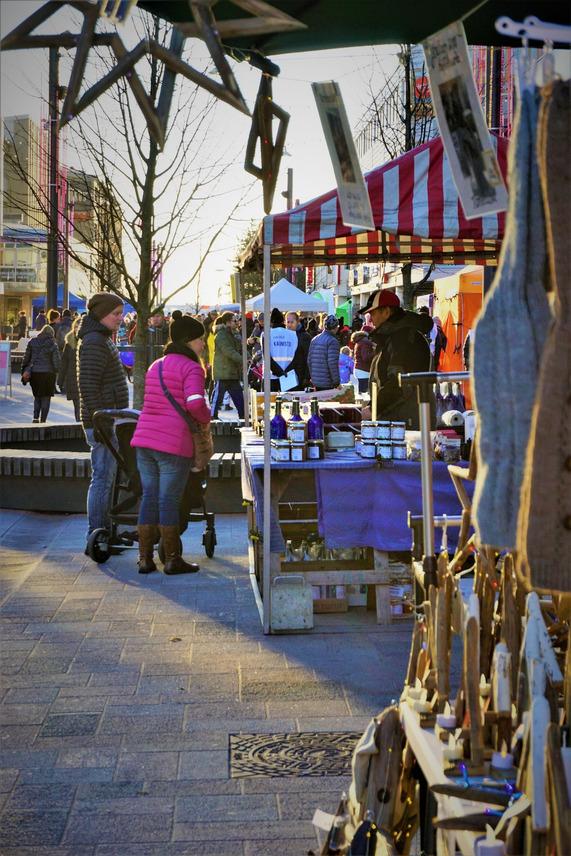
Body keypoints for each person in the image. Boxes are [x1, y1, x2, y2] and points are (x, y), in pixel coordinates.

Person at [131, 315, 211, 575]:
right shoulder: (192, 368)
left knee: (149, 498)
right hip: (173, 444)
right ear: (189, 341)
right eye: (200, 339)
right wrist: (207, 418)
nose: (202, 344)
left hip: (144, 440)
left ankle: (144, 559)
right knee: (168, 500)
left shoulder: (157, 365)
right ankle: (173, 559)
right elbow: (196, 404)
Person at [78, 292, 129, 545]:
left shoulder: (102, 338)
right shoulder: (95, 341)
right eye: (116, 313)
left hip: (109, 419)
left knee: (108, 478)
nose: (121, 318)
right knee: (102, 478)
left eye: (121, 313)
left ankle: (107, 532)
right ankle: (96, 534)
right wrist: (100, 419)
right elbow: (87, 384)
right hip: (102, 421)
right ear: (101, 315)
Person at [359, 290, 433, 429]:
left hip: (406, 421)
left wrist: (372, 409)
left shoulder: (403, 338)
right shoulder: (393, 337)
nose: (371, 319)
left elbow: (399, 383)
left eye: (373, 313)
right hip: (400, 418)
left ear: (386, 312)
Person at [21, 325, 61, 423]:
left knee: (37, 397)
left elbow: (26, 358)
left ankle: (35, 418)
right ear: (52, 333)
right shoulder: (53, 344)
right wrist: (57, 371)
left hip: (35, 373)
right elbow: (56, 362)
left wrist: (24, 369)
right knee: (46, 398)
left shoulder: (32, 342)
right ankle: (43, 421)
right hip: (48, 374)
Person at [210, 311, 244, 418]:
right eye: (234, 321)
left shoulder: (234, 334)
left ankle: (244, 417)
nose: (237, 323)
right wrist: (243, 359)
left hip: (232, 372)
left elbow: (240, 348)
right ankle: (212, 418)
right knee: (218, 399)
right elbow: (229, 351)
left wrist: (248, 357)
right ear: (228, 322)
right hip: (223, 372)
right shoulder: (221, 335)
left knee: (239, 399)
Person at [264, 308, 299, 392]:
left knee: (271, 403)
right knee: (288, 402)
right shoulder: (293, 335)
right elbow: (297, 357)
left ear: (271, 322)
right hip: (288, 375)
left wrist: (278, 372)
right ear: (283, 321)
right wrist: (284, 373)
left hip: (271, 376)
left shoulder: (266, 334)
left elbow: (266, 357)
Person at [308, 315, 341, 390]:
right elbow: (332, 363)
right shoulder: (333, 341)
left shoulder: (314, 339)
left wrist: (313, 377)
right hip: (327, 383)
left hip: (315, 381)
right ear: (336, 327)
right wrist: (336, 382)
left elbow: (309, 360)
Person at [58, 318, 81, 421]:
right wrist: (60, 380)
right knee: (77, 405)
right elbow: (64, 362)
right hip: (72, 378)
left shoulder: (89, 341)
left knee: (85, 407)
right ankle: (79, 425)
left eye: (79, 327)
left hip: (87, 378)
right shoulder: (69, 343)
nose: (77, 329)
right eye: (76, 327)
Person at [286, 311, 311, 389]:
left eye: (292, 322)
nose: (289, 325)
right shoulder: (284, 336)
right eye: (288, 322)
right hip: (287, 376)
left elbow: (309, 357)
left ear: (297, 322)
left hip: (300, 376)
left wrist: (307, 377)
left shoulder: (305, 337)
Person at [351, 326, 375, 393]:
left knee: (361, 393)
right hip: (364, 370)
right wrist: (375, 351)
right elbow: (366, 357)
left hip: (359, 369)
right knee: (365, 394)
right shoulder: (365, 343)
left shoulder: (359, 342)